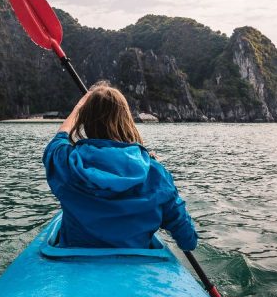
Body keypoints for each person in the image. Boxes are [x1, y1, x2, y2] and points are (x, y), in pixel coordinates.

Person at [42, 82, 198, 250]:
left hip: (75, 262)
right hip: (136, 268)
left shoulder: (67, 163)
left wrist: (81, 104)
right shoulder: (156, 174)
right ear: (126, 120)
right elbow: (188, 242)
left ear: (85, 120)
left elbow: (59, 138)